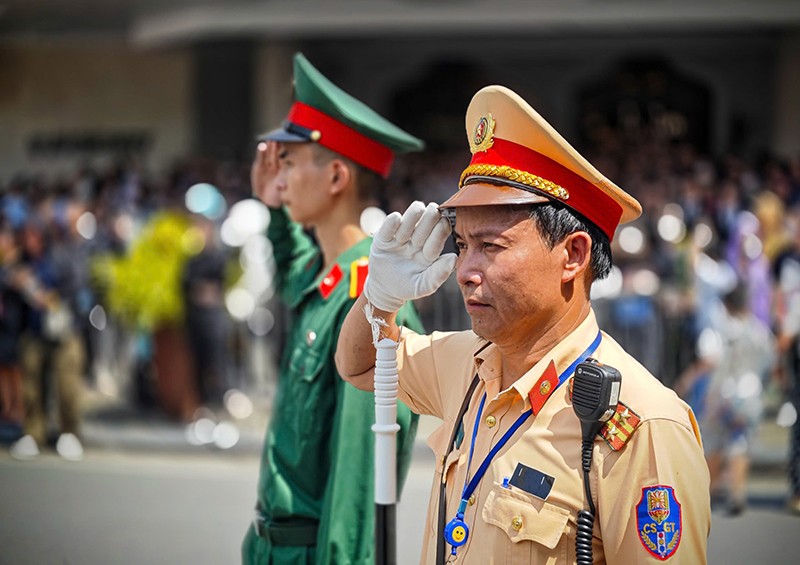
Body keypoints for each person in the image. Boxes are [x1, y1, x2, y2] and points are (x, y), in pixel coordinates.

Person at [337, 85, 711, 563]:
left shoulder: (643, 423)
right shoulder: (467, 361)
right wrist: (379, 296)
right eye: (462, 244)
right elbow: (360, 365)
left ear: (573, 255)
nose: (466, 269)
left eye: (490, 247)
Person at [242, 53, 424, 565]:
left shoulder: (370, 302)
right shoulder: (335, 278)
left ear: (337, 177)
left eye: (292, 164)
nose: (280, 178)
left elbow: (356, 489)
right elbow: (294, 270)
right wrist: (275, 212)